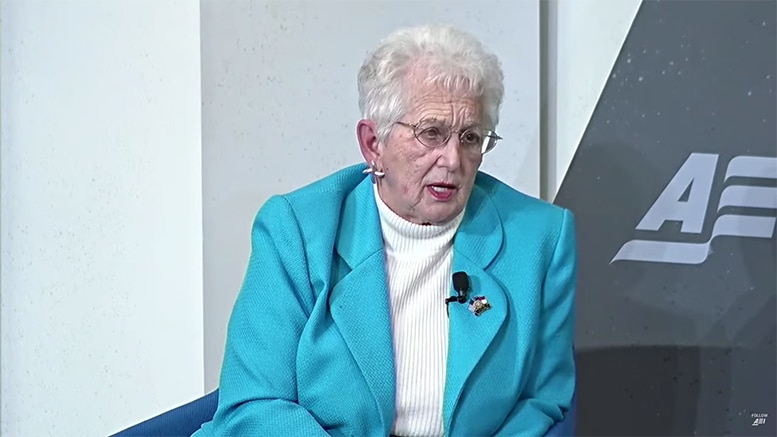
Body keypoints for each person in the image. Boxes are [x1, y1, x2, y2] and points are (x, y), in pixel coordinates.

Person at [192, 23, 576, 437]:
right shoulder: (297, 232)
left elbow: (543, 400)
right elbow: (253, 404)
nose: (452, 160)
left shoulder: (541, 240)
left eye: (469, 137)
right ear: (374, 143)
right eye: (431, 133)